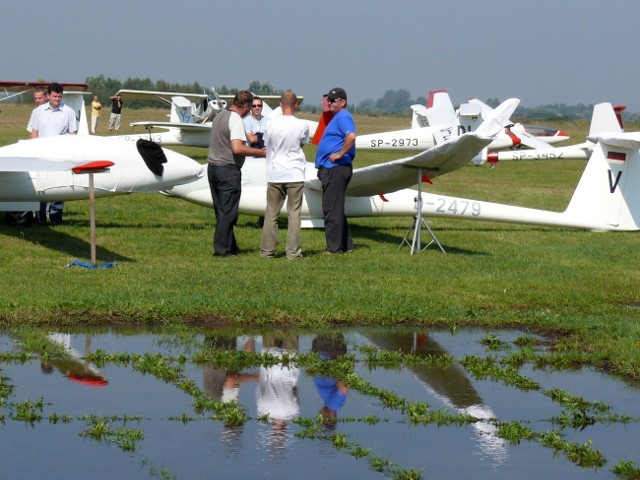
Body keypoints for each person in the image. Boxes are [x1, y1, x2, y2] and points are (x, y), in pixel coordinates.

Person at [207, 90, 266, 257]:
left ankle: (231, 246)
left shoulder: (220, 116)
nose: (249, 111)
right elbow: (237, 148)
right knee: (229, 212)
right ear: (246, 105)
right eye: (249, 107)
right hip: (227, 169)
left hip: (213, 168)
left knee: (221, 210)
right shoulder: (236, 119)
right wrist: (261, 153)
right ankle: (222, 250)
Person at [259, 91, 310, 260]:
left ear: (280, 104)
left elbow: (267, 144)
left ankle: (267, 251)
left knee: (271, 213)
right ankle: (293, 252)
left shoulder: (271, 124)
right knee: (294, 213)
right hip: (294, 172)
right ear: (295, 105)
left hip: (275, 173)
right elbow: (302, 144)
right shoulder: (302, 125)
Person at [315, 87, 357, 254]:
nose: (329, 103)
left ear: (343, 102)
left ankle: (334, 248)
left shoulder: (343, 116)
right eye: (328, 100)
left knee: (331, 208)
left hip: (336, 168)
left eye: (333, 100)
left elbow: (351, 136)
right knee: (336, 207)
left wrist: (340, 153)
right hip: (333, 168)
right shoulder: (337, 117)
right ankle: (347, 245)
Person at [29, 82, 78, 225]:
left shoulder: (69, 112)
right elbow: (34, 132)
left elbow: (73, 134)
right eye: (55, 96)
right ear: (48, 96)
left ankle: (56, 217)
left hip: (60, 155)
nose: (57, 99)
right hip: (41, 155)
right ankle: (40, 217)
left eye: (60, 97)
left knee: (59, 186)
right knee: (41, 186)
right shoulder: (38, 112)